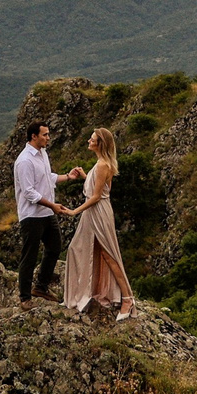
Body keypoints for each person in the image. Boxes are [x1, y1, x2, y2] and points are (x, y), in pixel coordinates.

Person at [55, 127, 135, 317]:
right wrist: (86, 177)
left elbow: (97, 196)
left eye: (92, 139)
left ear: (100, 144)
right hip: (97, 211)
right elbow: (103, 188)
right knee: (89, 250)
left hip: (97, 211)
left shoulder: (102, 165)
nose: (88, 141)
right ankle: (83, 294)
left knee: (107, 254)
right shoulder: (103, 163)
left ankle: (127, 299)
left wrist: (74, 211)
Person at [11, 121, 83, 303]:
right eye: (45, 135)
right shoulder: (24, 160)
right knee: (29, 256)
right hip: (31, 216)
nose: (48, 138)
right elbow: (28, 192)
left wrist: (68, 177)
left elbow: (46, 177)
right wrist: (52, 205)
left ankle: (41, 287)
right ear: (34, 136)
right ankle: (25, 298)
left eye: (48, 134)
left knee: (55, 247)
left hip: (46, 213)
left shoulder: (42, 153)